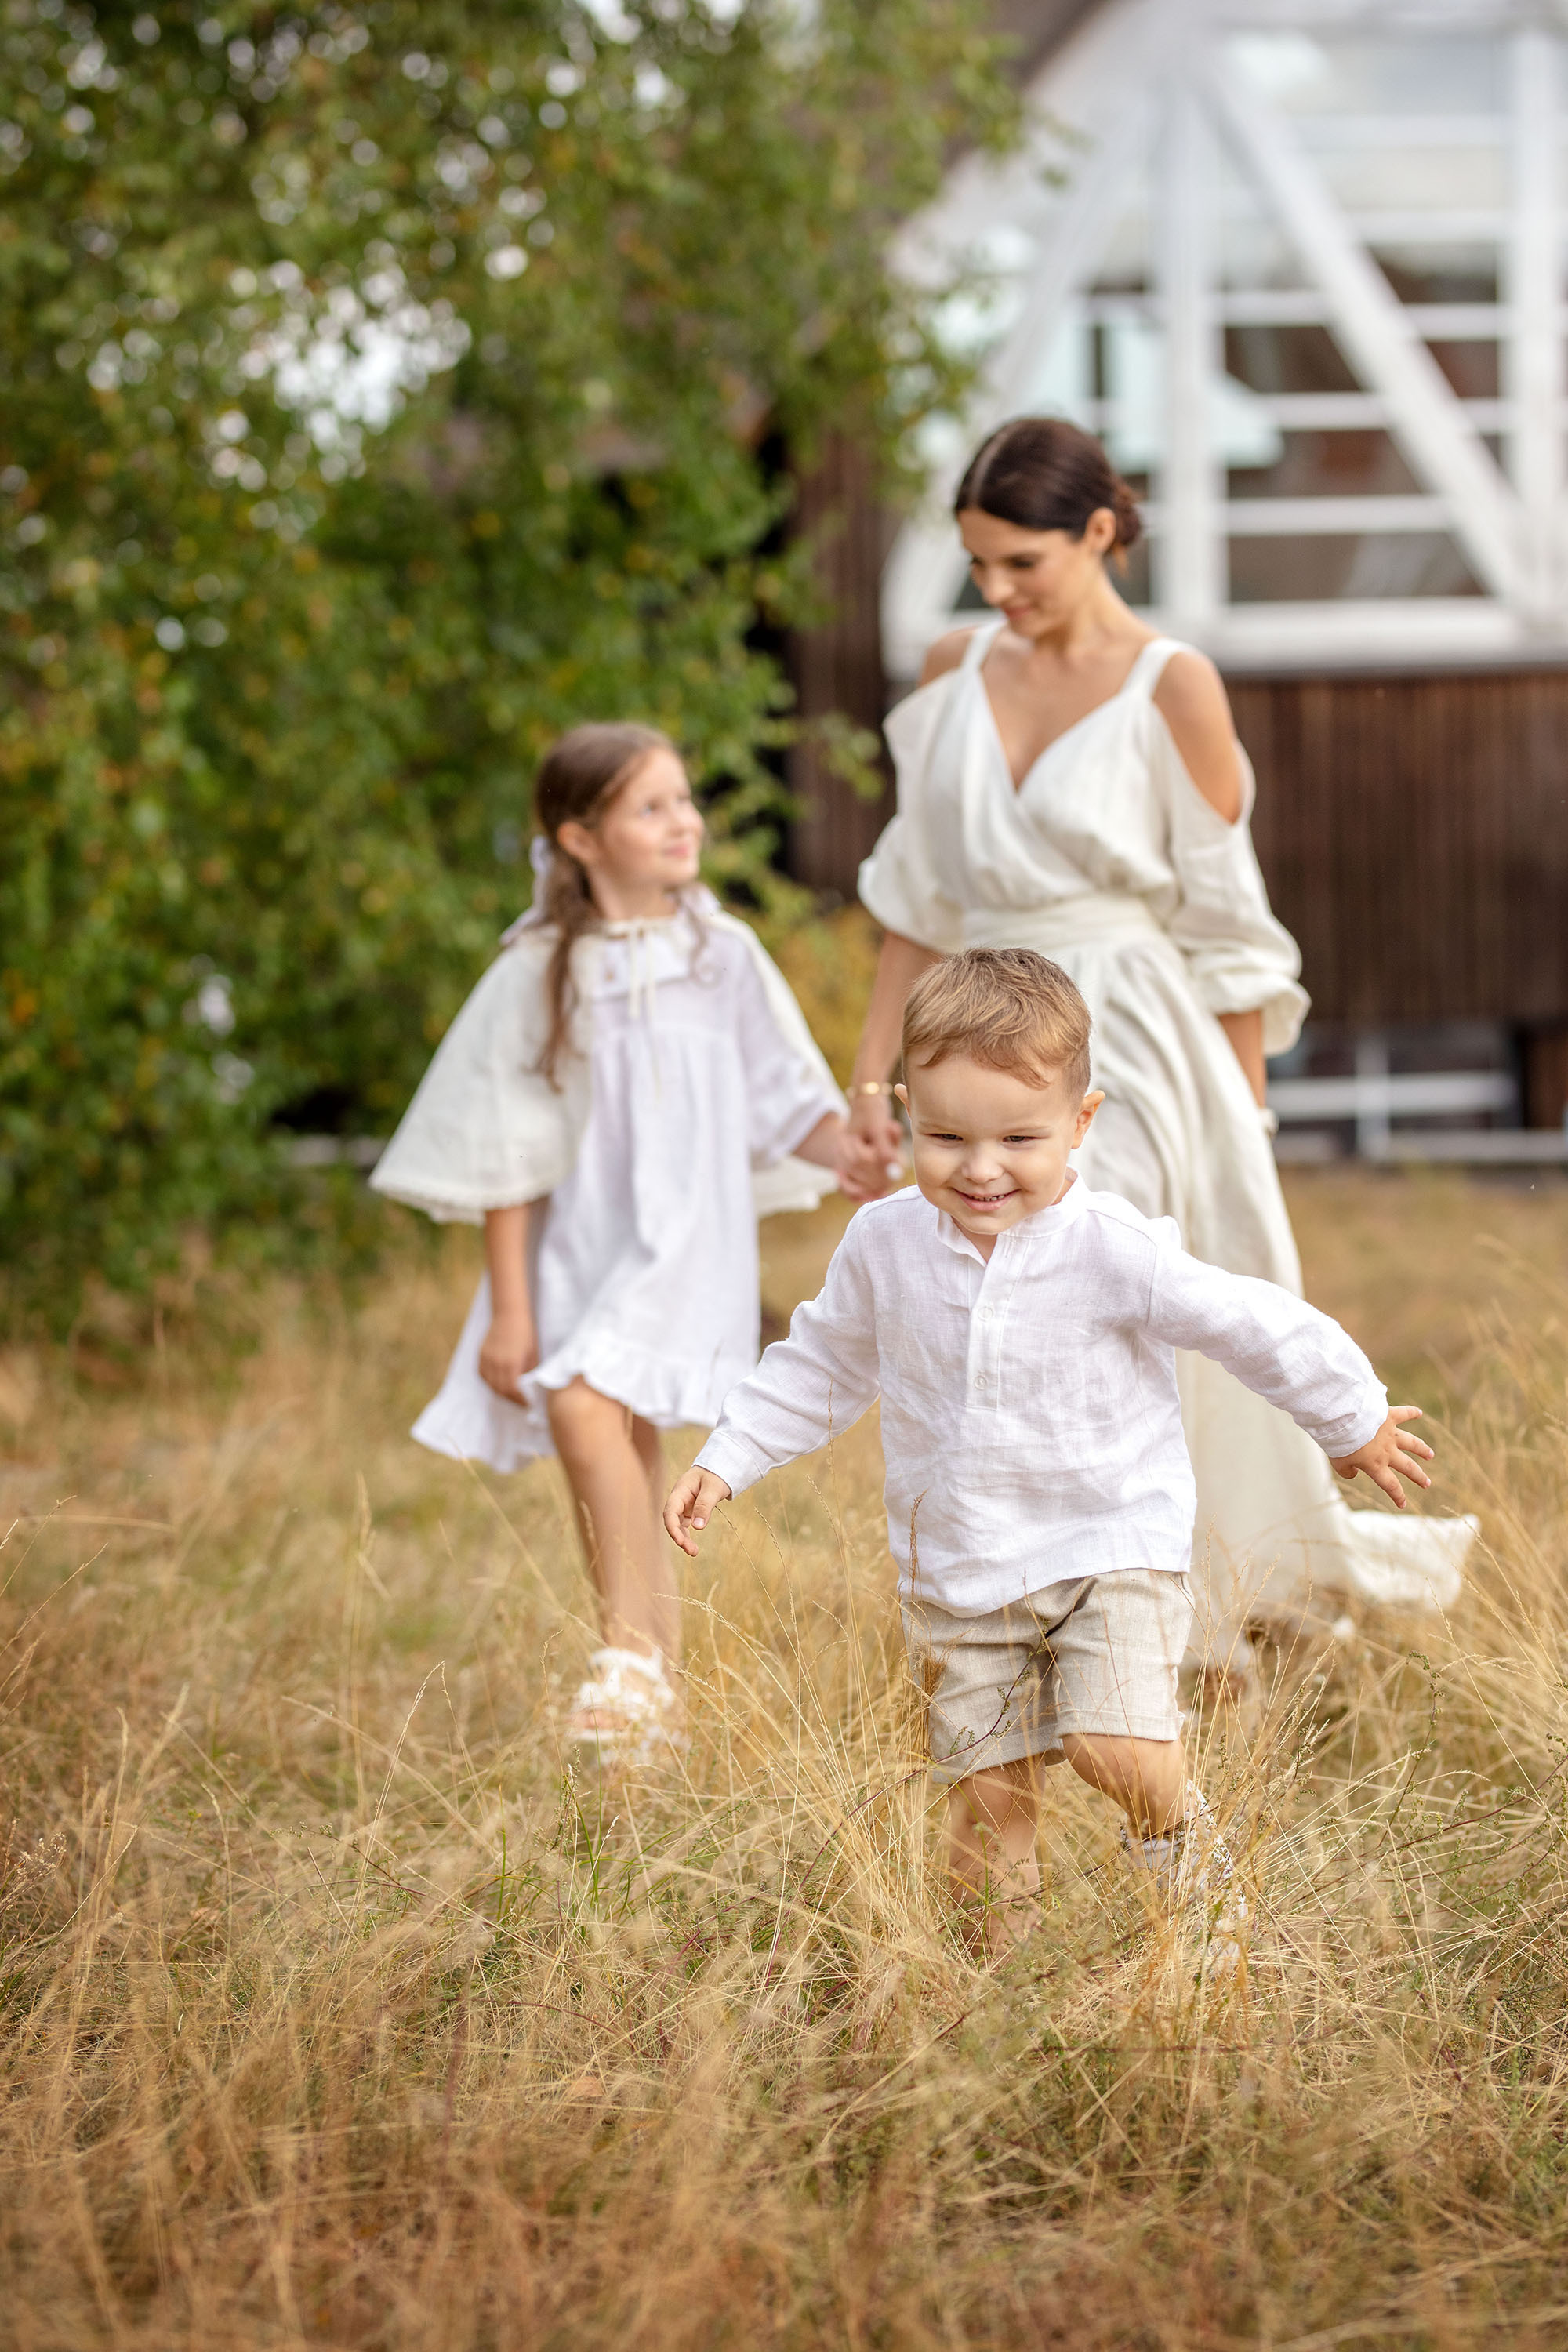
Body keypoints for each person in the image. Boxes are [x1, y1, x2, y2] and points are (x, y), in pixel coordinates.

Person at [835, 415, 1473, 1681]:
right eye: (979, 565)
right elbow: (913, 907)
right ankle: (1008, 1598)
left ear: (1102, 534)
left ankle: (1143, 1619)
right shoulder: (950, 671)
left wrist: (1247, 1108)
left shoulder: (1171, 682)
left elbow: (1228, 925)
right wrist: (875, 1082)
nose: (998, 592)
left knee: (1101, 1297)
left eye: (1025, 562)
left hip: (1129, 1036)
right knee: (978, 1310)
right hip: (976, 1026)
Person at [667, 952, 1435, 1956]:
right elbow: (820, 1361)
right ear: (907, 1113)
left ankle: (1192, 1872)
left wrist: (1351, 1419)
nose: (979, 1169)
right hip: (959, 1569)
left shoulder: (1110, 1247)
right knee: (987, 1812)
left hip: (1107, 1545)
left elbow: (1244, 1321)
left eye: (1017, 1139)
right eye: (944, 1137)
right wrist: (729, 1457)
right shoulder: (883, 1245)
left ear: (1081, 1122)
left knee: (1112, 1745)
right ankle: (995, 2013)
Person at [371, 722, 848, 1762]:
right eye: (652, 807)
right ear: (581, 838)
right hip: (579, 1244)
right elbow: (507, 1149)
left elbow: (787, 1098)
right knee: (612, 1431)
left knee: (585, 1402)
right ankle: (653, 1690)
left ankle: (627, 1658)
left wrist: (858, 1144)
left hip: (686, 1243)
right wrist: (511, 1311)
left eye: (686, 800)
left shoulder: (723, 957)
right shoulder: (544, 966)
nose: (685, 822)